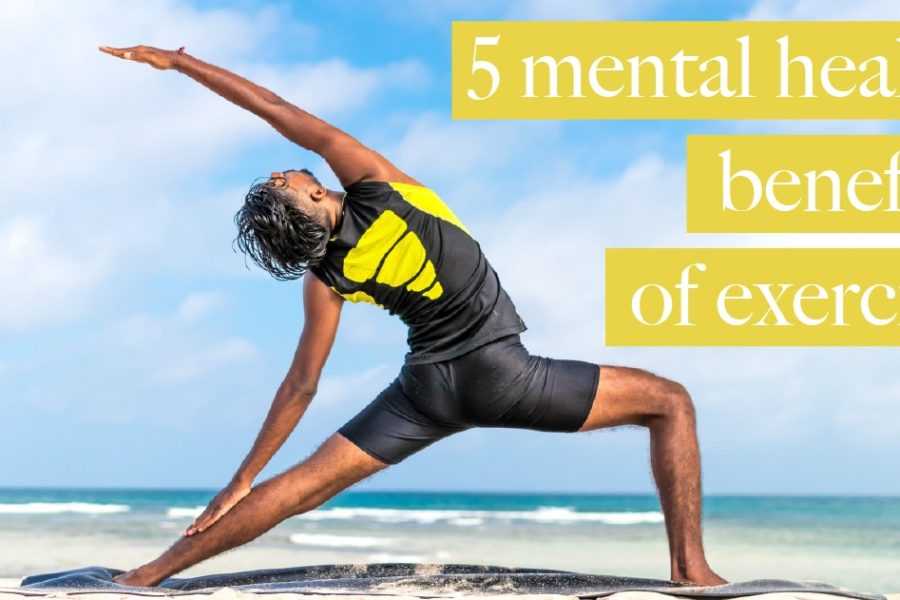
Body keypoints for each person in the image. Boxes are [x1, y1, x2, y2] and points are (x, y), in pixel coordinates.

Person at [98, 44, 726, 588]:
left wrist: (240, 480)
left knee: (300, 488)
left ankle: (146, 574)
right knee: (670, 401)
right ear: (315, 193)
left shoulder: (327, 277)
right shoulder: (378, 185)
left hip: (424, 392)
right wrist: (179, 62)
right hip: (501, 372)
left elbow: (301, 385)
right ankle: (690, 569)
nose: (279, 170)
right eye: (282, 182)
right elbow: (280, 112)